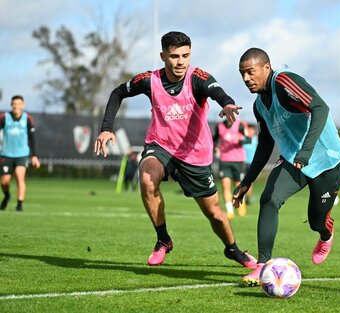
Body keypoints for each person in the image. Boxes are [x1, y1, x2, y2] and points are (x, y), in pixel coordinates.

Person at [94, 31, 257, 268]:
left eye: (185, 55)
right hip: (161, 146)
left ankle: (233, 249)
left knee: (215, 214)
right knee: (147, 178)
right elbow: (118, 92)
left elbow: (217, 92)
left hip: (195, 154)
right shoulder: (150, 80)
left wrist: (228, 104)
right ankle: (163, 240)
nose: (180, 61)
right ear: (163, 56)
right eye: (174, 56)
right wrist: (106, 128)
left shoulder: (198, 77)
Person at [234, 48, 340, 286]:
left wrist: (306, 151)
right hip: (294, 159)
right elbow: (265, 144)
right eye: (242, 74)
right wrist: (247, 181)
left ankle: (326, 233)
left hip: (327, 158)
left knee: (317, 221)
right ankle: (263, 265)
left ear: (266, 67)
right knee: (269, 199)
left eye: (250, 72)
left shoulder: (285, 82)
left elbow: (320, 108)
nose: (246, 79)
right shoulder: (259, 106)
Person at [0, 95, 41, 212]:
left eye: (18, 104)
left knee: (19, 175)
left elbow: (32, 138)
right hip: (6, 154)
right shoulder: (4, 117)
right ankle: (7, 195)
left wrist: (34, 156)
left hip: (22, 154)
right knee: (4, 181)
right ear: (11, 105)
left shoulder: (27, 118)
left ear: (23, 105)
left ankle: (19, 203)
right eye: (14, 104)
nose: (16, 106)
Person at [212, 118, 251, 218]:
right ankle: (230, 211)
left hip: (238, 160)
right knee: (225, 186)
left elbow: (248, 139)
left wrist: (240, 141)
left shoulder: (240, 125)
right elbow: (214, 140)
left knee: (238, 185)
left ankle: (241, 206)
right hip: (224, 160)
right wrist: (215, 147)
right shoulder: (219, 126)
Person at [242, 124, 258, 206]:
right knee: (240, 181)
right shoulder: (243, 139)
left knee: (249, 182)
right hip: (242, 163)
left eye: (252, 130)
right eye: (249, 130)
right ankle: (241, 196)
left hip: (252, 164)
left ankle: (247, 198)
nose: (250, 131)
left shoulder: (256, 140)